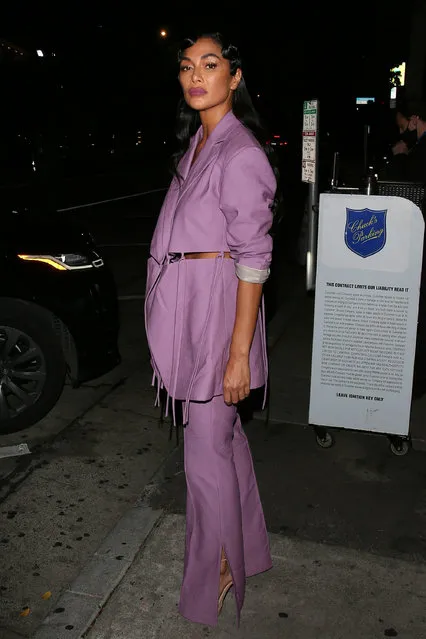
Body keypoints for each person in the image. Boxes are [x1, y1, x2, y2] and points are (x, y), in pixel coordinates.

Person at [144, 32, 279, 626]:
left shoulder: (240, 152)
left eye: (210, 64)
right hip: (190, 319)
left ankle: (216, 571)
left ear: (235, 76)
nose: (195, 75)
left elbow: (254, 260)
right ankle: (252, 549)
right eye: (186, 66)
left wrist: (239, 354)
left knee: (204, 459)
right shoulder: (200, 142)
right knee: (227, 446)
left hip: (219, 326)